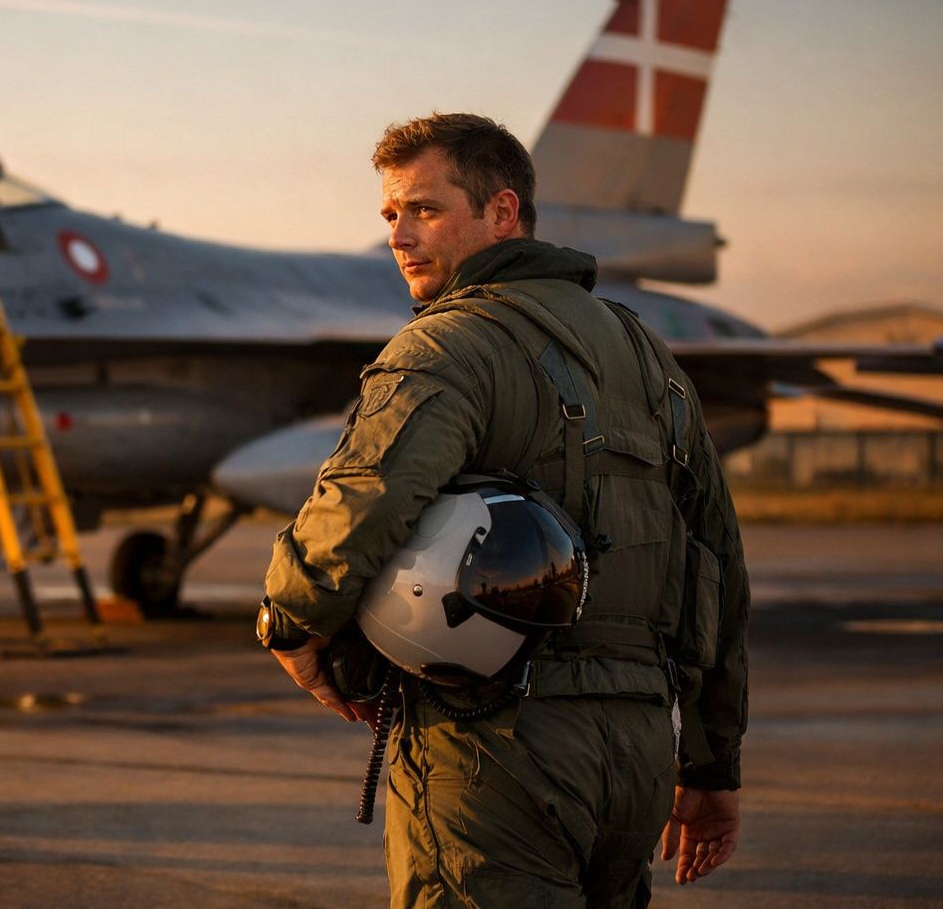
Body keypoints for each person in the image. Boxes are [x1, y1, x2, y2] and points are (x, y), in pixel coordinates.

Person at [259, 114, 749, 907]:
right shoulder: (647, 355)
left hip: (496, 748)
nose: (398, 234)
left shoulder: (446, 346)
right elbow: (718, 565)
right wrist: (711, 767)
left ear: (503, 211)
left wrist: (292, 622)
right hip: (633, 756)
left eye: (423, 208)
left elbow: (364, 499)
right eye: (389, 214)